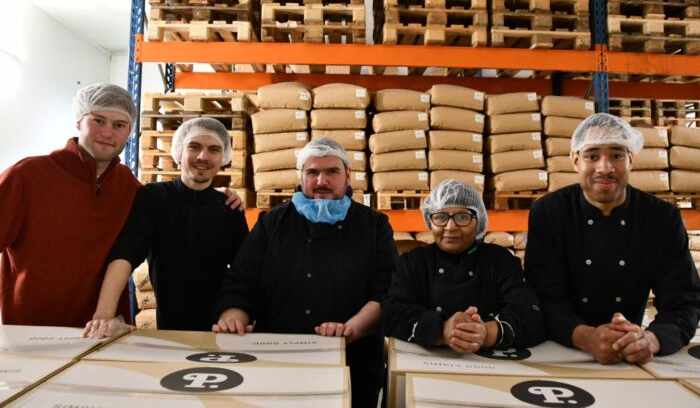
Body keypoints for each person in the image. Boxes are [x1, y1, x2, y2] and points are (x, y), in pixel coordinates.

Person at [213, 138, 398, 408]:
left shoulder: (374, 226)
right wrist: (234, 317)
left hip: (352, 365)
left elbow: (387, 289)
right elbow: (242, 279)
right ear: (300, 177)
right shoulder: (272, 222)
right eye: (312, 172)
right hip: (278, 361)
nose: (321, 180)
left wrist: (352, 329)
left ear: (348, 175)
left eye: (332, 171)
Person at [525, 113, 700, 365]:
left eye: (617, 155)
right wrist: (588, 337)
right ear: (575, 160)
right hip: (562, 348)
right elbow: (542, 298)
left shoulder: (661, 217)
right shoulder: (550, 212)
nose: (605, 168)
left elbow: (684, 302)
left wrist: (650, 340)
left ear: (631, 160)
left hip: (630, 352)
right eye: (592, 156)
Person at [82, 118, 249, 338]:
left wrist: (237, 314)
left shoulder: (229, 207)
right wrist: (104, 313)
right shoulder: (154, 198)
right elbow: (127, 251)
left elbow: (245, 271)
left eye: (214, 149)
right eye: (194, 147)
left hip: (221, 329)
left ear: (223, 157)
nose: (203, 156)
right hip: (171, 329)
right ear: (180, 151)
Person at [0, 83, 141, 326]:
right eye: (98, 121)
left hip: (101, 331)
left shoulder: (129, 186)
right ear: (79, 121)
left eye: (119, 125)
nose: (108, 133)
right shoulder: (26, 176)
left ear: (129, 132)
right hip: (31, 329)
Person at [383, 179, 544, 353]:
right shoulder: (413, 262)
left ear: (479, 220)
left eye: (462, 217)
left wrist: (485, 333)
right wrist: (442, 330)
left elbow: (531, 316)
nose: (450, 227)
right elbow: (391, 312)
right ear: (430, 221)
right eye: (440, 217)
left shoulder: (500, 262)